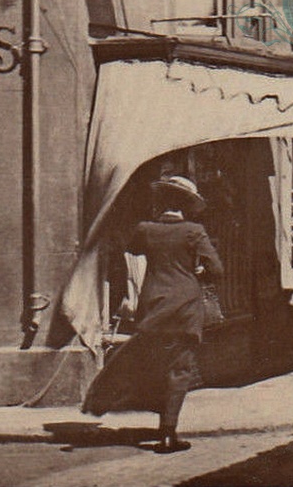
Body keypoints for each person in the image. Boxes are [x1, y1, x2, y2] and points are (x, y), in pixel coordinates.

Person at [82, 174, 223, 454]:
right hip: (185, 309)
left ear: (162, 203)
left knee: (152, 363)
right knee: (179, 370)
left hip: (154, 306)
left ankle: (106, 401)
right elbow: (217, 270)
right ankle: (168, 433)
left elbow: (130, 247)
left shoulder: (146, 229)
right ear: (187, 206)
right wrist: (198, 270)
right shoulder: (194, 231)